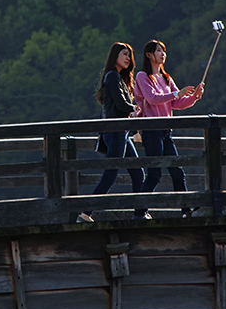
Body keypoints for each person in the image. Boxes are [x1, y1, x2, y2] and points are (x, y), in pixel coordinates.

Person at [132, 40, 204, 218]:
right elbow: (153, 98)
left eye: (163, 51)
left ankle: (186, 210)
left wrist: (194, 97)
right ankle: (140, 212)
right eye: (158, 51)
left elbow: (178, 103)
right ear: (149, 55)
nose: (163, 54)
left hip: (166, 131)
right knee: (154, 174)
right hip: (151, 130)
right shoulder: (142, 76)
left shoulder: (166, 78)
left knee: (177, 172)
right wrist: (176, 94)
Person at [78, 42, 147, 222]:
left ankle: (139, 213)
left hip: (121, 133)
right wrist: (135, 108)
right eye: (124, 54)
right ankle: (86, 212)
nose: (128, 58)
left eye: (129, 55)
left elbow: (122, 106)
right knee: (110, 175)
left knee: (138, 172)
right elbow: (121, 105)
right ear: (115, 56)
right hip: (115, 133)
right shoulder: (112, 76)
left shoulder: (119, 78)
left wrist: (133, 109)